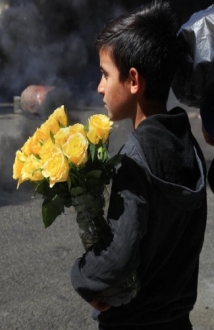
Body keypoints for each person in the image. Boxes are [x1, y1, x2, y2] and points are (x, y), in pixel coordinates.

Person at [69, 1, 207, 329]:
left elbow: (117, 259)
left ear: (133, 80)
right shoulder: (190, 147)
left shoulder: (134, 159)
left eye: (105, 75)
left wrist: (82, 276)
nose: (100, 87)